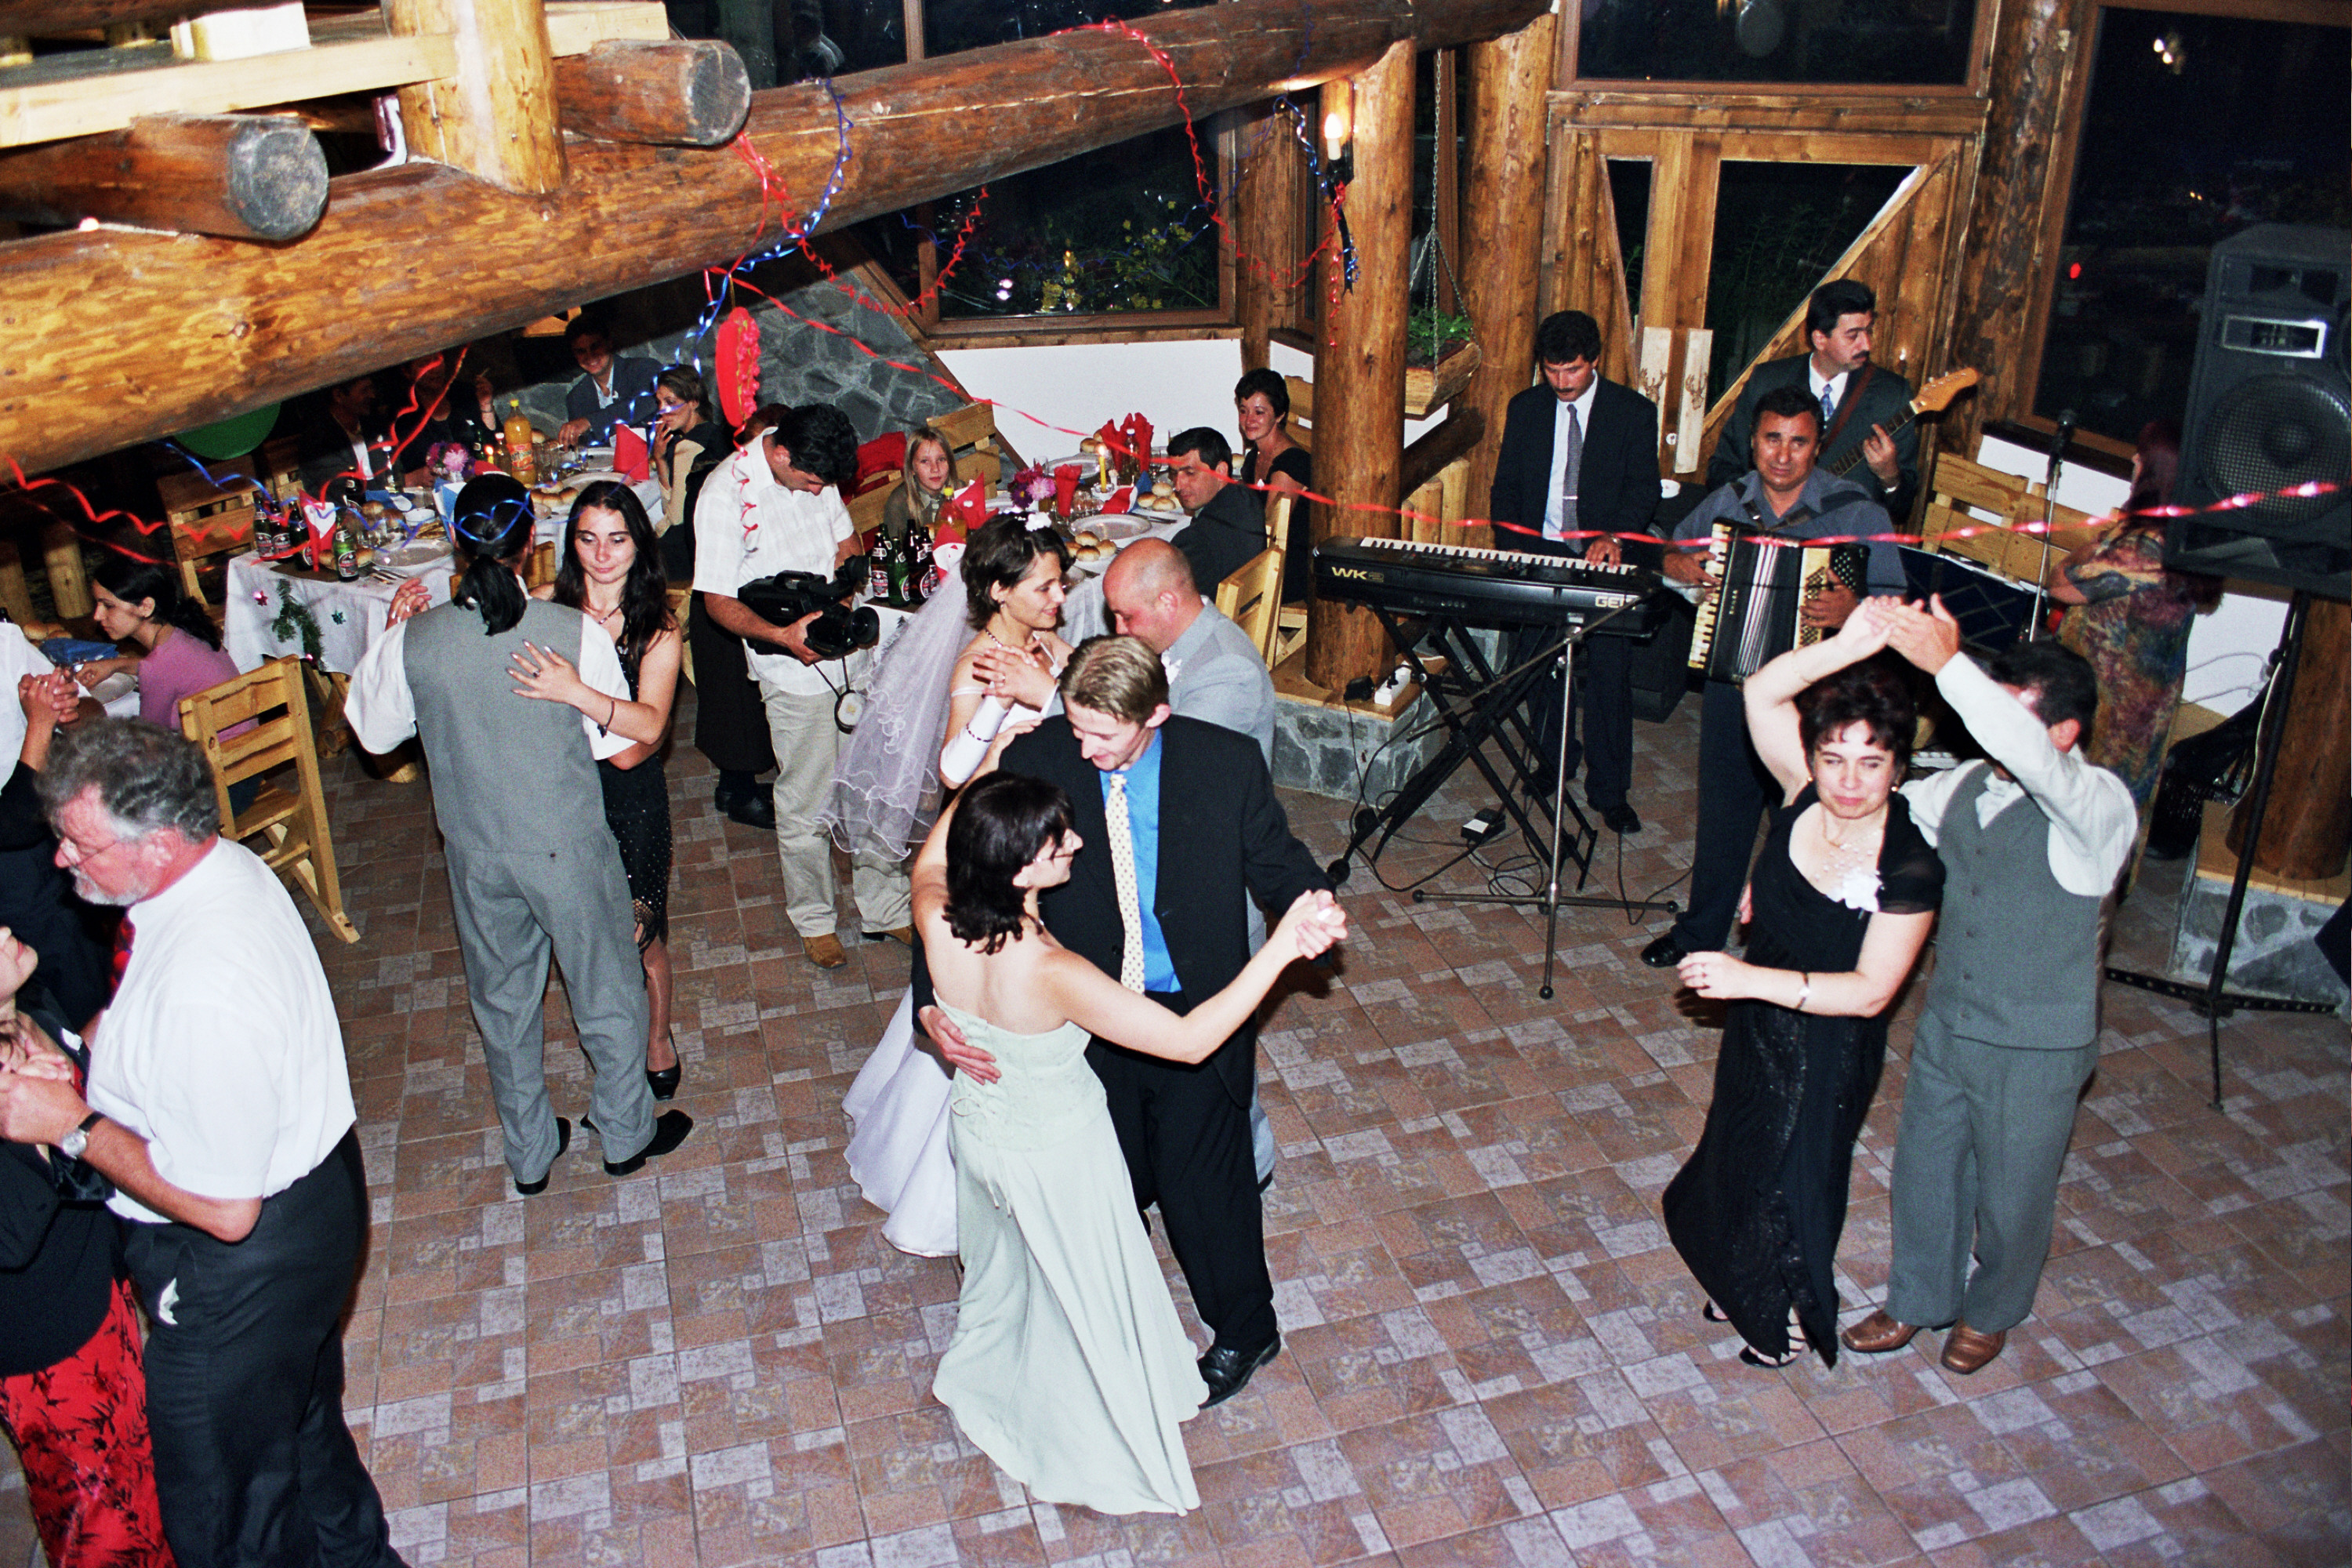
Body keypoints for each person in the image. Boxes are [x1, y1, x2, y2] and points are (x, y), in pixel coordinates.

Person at [0, 718, 404, 1568]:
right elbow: (143, 1022)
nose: (61, 860)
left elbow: (225, 1209)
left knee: (227, 1515)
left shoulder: (203, 986)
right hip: (317, 1201)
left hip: (237, 1265)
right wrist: (77, 1058)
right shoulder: (219, 871)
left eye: (79, 845)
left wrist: (70, 1124)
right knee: (302, 1436)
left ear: (155, 842)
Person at [916, 771, 1345, 1514]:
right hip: (1057, 1158)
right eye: (1056, 843)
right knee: (1087, 1296)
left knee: (1015, 1270)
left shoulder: (939, 916)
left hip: (981, 1138)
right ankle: (1085, 1429)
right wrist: (1278, 951)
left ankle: (1003, 1370)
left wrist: (990, 761)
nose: (1076, 843)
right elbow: (1188, 1041)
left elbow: (928, 859)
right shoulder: (1053, 971)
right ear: (1018, 870)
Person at [927, 637, 1338, 1407]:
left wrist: (1310, 904)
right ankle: (1112, 1322)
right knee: (1112, 1179)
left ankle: (1246, 1330)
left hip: (1193, 1004)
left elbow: (1277, 859)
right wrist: (933, 998)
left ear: (1156, 714)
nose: (1083, 750)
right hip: (1081, 1013)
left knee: (1204, 1185)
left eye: (1103, 735)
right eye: (1077, 727)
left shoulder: (1223, 763)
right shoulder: (1043, 750)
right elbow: (968, 877)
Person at [350, 475, 691, 1189]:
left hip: (475, 853)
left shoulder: (413, 640)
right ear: (532, 540)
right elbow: (619, 747)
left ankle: (531, 1155)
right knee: (605, 991)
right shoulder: (572, 633)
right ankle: (625, 1136)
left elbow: (376, 738)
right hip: (566, 845)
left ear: (456, 543)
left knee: (503, 1008)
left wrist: (395, 642)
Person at [1839, 601, 2134, 1375]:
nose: (1987, 731)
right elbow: (1882, 820)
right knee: (1925, 1171)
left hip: (2037, 1046)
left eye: (2012, 717)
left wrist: (1948, 664)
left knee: (2013, 1195)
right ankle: (1918, 1297)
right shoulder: (1968, 783)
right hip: (1951, 1023)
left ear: (2063, 733)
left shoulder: (2098, 805)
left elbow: (2031, 761)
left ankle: (1993, 1308)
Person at [1664, 614, 1944, 1367]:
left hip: (1826, 1043)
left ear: (1899, 768)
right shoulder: (1799, 793)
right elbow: (1760, 689)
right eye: (1833, 759)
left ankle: (1778, 1307)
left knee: (1794, 1178)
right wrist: (1849, 648)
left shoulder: (1909, 867)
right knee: (1735, 1147)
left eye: (1871, 763)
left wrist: (1744, 979)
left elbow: (1871, 993)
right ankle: (1735, 1272)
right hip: (1759, 1022)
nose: (1849, 781)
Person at [830, 516, 1071, 1258]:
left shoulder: (1045, 642)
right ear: (999, 591)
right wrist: (1007, 708)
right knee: (988, 993)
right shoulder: (981, 659)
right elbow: (954, 770)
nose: (1059, 597)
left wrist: (1054, 685)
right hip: (994, 839)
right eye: (1045, 587)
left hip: (1040, 829)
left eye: (1060, 584)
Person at [1641, 384, 1904, 971]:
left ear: (1819, 446)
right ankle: (1700, 933)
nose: (1783, 456)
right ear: (1754, 442)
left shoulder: (1856, 510)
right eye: (1772, 439)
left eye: (1799, 442)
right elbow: (1666, 547)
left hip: (1823, 698)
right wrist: (1675, 561)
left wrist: (1852, 609)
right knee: (1724, 814)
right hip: (1734, 682)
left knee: (1814, 815)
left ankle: (1805, 939)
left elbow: (1895, 601)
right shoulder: (1730, 500)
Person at [696, 403, 909, 969]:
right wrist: (783, 636)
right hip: (791, 668)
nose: (820, 491)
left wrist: (845, 595)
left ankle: (885, 906)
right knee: (807, 799)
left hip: (853, 656)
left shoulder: (818, 467)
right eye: (812, 482)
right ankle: (815, 919)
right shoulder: (724, 495)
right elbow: (716, 600)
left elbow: (847, 543)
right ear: (782, 455)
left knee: (872, 785)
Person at [0, 929, 172, 1568]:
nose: (4, 927)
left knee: (141, 1475)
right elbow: (10, 1235)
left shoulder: (27, 1008)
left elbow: (79, 1055)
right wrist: (49, 1131)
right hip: (48, 1348)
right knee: (100, 1522)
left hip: (98, 1293)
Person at [517, 482, 687, 1101]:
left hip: (631, 798)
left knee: (641, 934)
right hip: (558, 792)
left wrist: (575, 693)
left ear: (639, 544)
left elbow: (646, 735)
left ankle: (658, 1038)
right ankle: (610, 1045)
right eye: (588, 539)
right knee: (579, 933)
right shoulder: (544, 605)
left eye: (617, 539)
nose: (603, 554)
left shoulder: (658, 628)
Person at [1486, 308, 1661, 834]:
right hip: (1540, 548)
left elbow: (1644, 489)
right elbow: (1506, 488)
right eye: (1552, 370)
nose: (1562, 382)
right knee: (1538, 664)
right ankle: (1552, 760)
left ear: (1596, 361)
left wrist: (1616, 536)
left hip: (1602, 555)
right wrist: (1514, 549)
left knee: (1609, 672)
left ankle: (1610, 790)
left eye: (1574, 370)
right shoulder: (1526, 408)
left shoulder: (1632, 412)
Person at [2047, 420, 2218, 806]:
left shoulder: (2145, 549)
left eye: (2144, 455)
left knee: (2092, 809)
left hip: (2114, 711)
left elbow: (2060, 584)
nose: (2134, 458)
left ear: (2160, 472)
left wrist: (2089, 550)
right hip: (2139, 706)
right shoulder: (2180, 536)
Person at [1708, 278, 1919, 523]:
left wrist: (1890, 476)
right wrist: (1756, 515)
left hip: (1845, 535)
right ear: (1820, 339)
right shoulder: (1768, 381)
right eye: (1853, 335)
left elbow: (1902, 509)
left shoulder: (1892, 395)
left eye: (1869, 331)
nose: (1867, 344)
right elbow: (1723, 467)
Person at [0, 635, 107, 1028]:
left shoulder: (6, 642)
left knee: (90, 959)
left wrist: (67, 710)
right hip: (14, 862)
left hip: (52, 831)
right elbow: (11, 827)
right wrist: (41, 724)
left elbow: (94, 715)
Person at [1091, 538, 1275, 764]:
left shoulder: (1227, 671)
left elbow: (1173, 762)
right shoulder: (1171, 638)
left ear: (1167, 603)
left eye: (1127, 617)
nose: (1119, 630)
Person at [690, 405, 780, 831]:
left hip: (737, 600)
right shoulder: (720, 485)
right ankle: (741, 795)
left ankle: (732, 786)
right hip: (723, 603)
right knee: (734, 706)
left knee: (737, 704)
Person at [77, 554, 246, 739]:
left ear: (146, 607)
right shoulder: (184, 630)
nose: (97, 615)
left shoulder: (158, 666)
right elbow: (169, 670)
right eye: (98, 604)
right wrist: (116, 665)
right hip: (246, 740)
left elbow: (150, 739)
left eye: (108, 606)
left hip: (221, 752)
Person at [1233, 368, 1312, 601]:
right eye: (1243, 411)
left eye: (1259, 412)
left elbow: (1269, 532)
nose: (1249, 420)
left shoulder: (1290, 465)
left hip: (1287, 570)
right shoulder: (1254, 457)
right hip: (1264, 556)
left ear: (1279, 415)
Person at [1164, 427, 1267, 597]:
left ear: (1220, 472)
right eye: (1175, 474)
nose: (1178, 486)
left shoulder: (1196, 541)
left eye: (1190, 473)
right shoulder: (1246, 497)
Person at [650, 365, 730, 583]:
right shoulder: (715, 433)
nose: (662, 410)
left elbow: (675, 517)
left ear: (694, 402)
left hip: (687, 553)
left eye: (671, 402)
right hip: (714, 542)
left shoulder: (687, 448)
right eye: (659, 402)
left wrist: (660, 459)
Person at [554, 314, 662, 448]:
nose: (590, 356)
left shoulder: (644, 369)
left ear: (609, 343)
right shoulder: (576, 398)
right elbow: (585, 448)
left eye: (595, 347)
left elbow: (645, 403)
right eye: (581, 351)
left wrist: (590, 421)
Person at [295, 373, 389, 498]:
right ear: (339, 396)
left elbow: (392, 469)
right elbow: (346, 489)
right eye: (364, 390)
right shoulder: (318, 440)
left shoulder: (372, 427)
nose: (372, 395)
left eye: (371, 389)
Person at [880, 428, 953, 548]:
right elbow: (895, 551)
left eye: (941, 459)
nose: (935, 469)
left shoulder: (960, 491)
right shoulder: (899, 503)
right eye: (925, 461)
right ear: (912, 468)